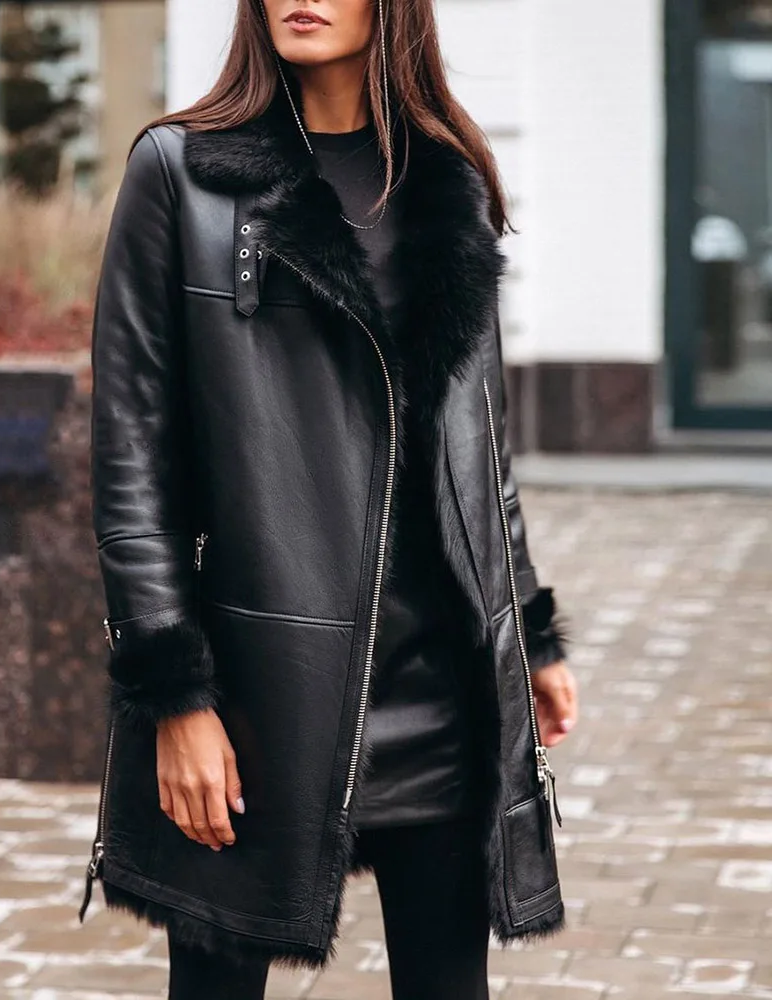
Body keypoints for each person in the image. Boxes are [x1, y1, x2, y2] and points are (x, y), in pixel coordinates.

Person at [82, 1, 579, 997]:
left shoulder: (448, 179)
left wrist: (526, 630)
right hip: (259, 689)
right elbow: (133, 457)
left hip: (442, 689)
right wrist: (175, 697)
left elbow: (480, 444)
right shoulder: (182, 171)